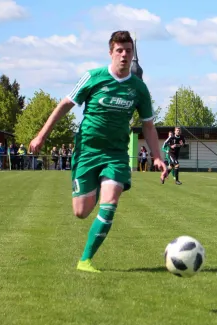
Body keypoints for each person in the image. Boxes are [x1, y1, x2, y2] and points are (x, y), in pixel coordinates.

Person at [29, 31, 166, 273]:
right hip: (87, 151)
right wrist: (41, 135)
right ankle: (90, 198)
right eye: (119, 50)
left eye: (128, 50)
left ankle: (85, 260)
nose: (124, 55)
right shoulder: (93, 77)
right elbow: (64, 105)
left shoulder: (139, 89)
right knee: (81, 211)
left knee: (110, 201)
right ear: (111, 52)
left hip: (116, 154)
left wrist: (157, 156)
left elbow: (148, 125)